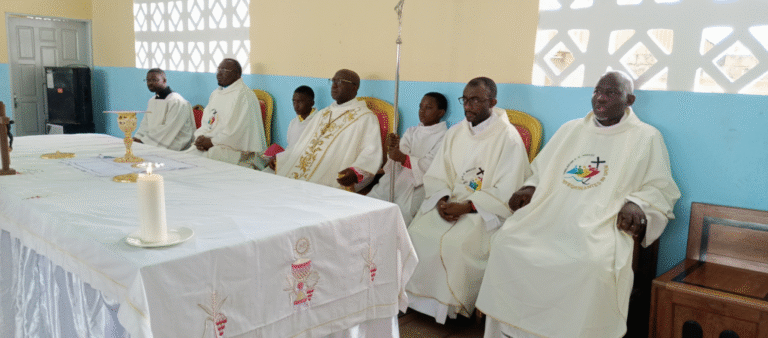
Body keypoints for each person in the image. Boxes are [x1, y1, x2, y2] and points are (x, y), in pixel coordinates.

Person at [475, 71, 681, 338]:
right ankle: (511, 330)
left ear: (629, 99)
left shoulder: (646, 137)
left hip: (598, 222)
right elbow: (541, 170)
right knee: (507, 242)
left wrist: (637, 204)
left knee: (591, 263)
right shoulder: (570, 129)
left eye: (610, 93)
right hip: (552, 214)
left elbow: (660, 187)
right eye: (597, 91)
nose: (600, 98)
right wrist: (530, 186)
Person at [405, 77, 530, 323]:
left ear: (492, 102)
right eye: (465, 99)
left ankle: (450, 309)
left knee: (456, 244)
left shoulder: (508, 138)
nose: (468, 106)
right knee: (417, 233)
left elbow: (509, 187)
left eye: (475, 100)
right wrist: (441, 199)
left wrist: (469, 206)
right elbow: (439, 172)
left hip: (483, 211)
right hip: (449, 202)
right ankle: (415, 300)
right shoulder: (456, 132)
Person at [275, 69, 382, 191]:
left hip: (332, 176)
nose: (334, 85)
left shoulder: (365, 118)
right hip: (306, 171)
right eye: (332, 81)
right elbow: (303, 144)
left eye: (340, 81)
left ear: (354, 88)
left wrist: (356, 171)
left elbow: (371, 152)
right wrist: (282, 158)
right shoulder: (323, 113)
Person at [366, 92, 448, 225]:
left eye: (428, 108)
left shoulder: (444, 136)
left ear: (441, 113)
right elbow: (398, 156)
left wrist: (404, 158)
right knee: (372, 201)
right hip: (397, 177)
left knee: (401, 214)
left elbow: (431, 165)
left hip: (419, 183)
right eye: (421, 107)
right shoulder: (412, 131)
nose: (422, 111)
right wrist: (393, 149)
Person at [189, 58, 267, 168]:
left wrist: (212, 142)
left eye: (224, 70)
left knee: (208, 156)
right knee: (190, 154)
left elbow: (238, 132)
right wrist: (200, 137)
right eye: (218, 69)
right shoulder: (215, 94)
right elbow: (207, 121)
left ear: (237, 74)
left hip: (236, 150)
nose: (219, 73)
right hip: (213, 143)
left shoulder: (244, 96)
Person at [133, 69, 195, 151]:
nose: (150, 83)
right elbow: (145, 123)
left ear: (164, 80)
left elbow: (170, 128)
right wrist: (138, 137)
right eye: (147, 80)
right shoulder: (152, 101)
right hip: (155, 141)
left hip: (174, 142)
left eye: (154, 80)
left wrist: (144, 141)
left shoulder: (176, 101)